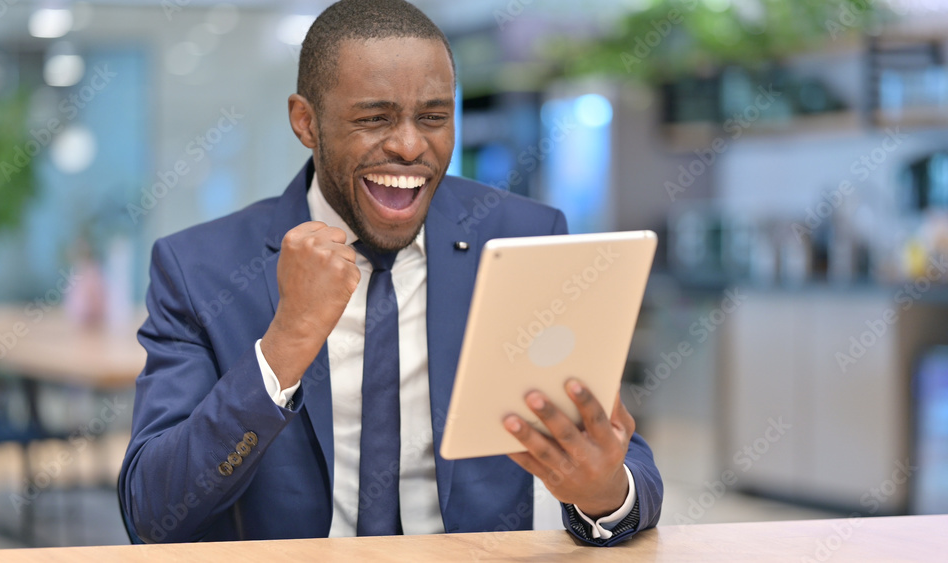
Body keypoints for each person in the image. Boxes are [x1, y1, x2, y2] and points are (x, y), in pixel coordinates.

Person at [118, 0, 662, 547]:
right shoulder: (199, 268)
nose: (408, 146)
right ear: (306, 122)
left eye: (433, 117)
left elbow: (620, 456)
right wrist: (286, 343)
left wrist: (604, 493)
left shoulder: (526, 237)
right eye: (374, 118)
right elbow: (152, 509)